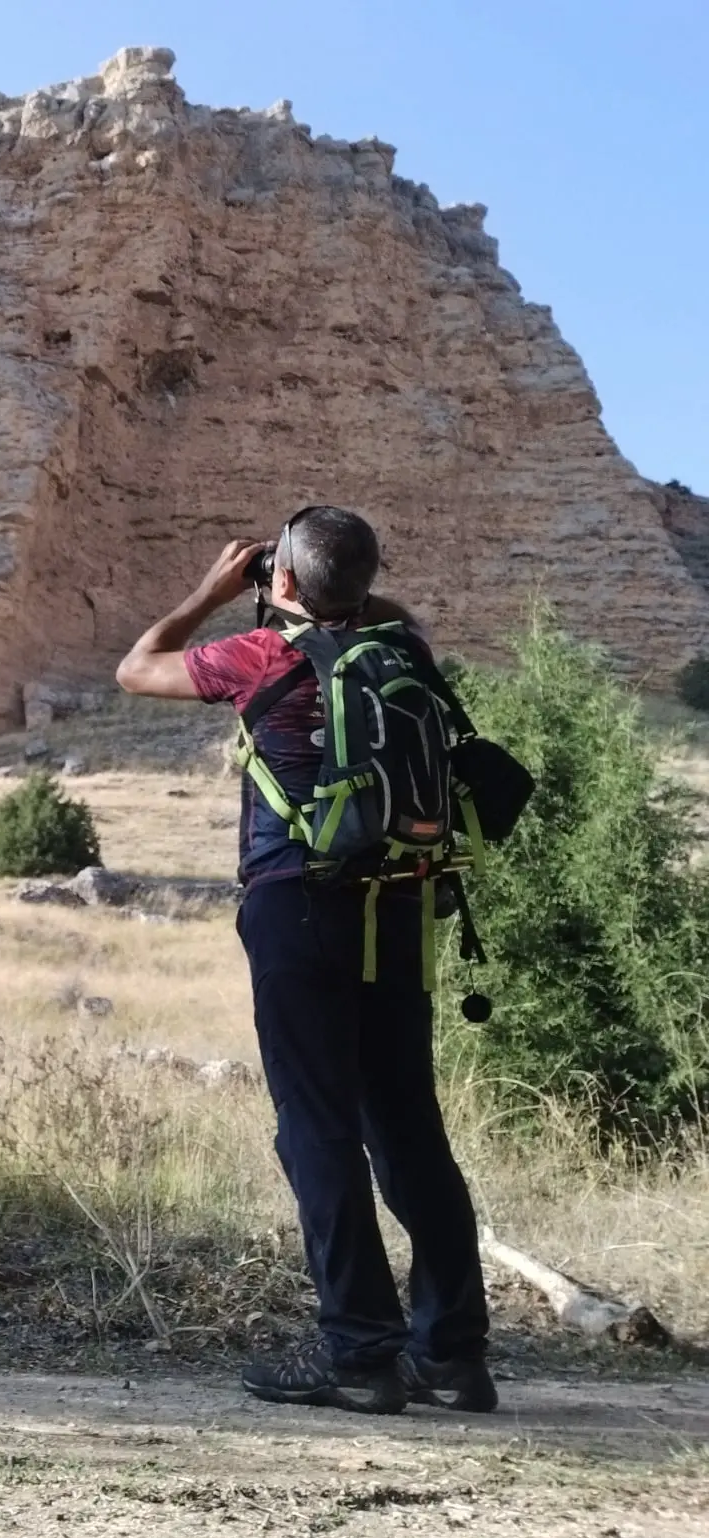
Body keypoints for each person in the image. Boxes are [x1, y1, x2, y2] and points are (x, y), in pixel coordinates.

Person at [113, 505, 495, 1417]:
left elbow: (136, 667)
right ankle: (453, 1356)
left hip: (300, 906)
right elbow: (384, 609)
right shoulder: (405, 648)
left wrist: (213, 590)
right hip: (398, 907)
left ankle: (359, 1353)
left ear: (280, 579)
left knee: (316, 1127)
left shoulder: (259, 656)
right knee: (410, 1129)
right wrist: (337, 585)